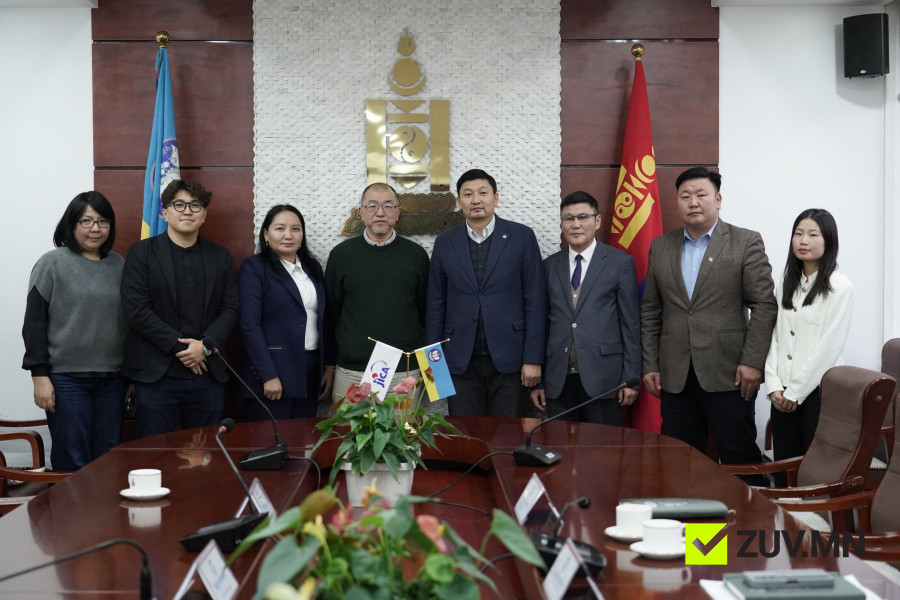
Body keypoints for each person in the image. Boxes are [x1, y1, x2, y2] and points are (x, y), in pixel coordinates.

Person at [641, 167, 776, 481]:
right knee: (678, 464)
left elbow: (764, 305)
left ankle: (747, 513)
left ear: (718, 199)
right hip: (676, 375)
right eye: (685, 196)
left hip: (730, 373)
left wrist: (752, 362)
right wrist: (650, 363)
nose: (693, 202)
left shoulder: (745, 241)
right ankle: (688, 515)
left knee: (740, 459)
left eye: (701, 195)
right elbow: (650, 310)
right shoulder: (661, 247)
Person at [121, 179, 239, 436]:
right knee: (155, 452)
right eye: (179, 205)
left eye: (195, 205)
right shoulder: (142, 253)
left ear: (204, 214)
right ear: (165, 213)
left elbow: (230, 308)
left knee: (207, 451)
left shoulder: (220, 256)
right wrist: (183, 348)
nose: (187, 211)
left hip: (207, 373)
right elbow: (136, 310)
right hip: (157, 375)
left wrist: (204, 347)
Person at [426, 168, 547, 417]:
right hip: (460, 360)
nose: (476, 200)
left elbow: (535, 301)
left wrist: (533, 359)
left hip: (511, 360)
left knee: (507, 433)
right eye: (468, 194)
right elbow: (435, 304)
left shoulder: (521, 237)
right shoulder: (445, 242)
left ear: (496, 198)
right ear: (459, 201)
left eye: (483, 193)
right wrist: (433, 368)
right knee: (465, 433)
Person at [22, 191, 127, 471]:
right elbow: (34, 323)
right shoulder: (52, 263)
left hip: (112, 380)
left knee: (107, 460)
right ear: (71, 224)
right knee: (72, 461)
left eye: (103, 221)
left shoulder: (119, 264)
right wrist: (39, 376)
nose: (95, 228)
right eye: (86, 221)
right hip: (66, 380)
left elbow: (129, 323)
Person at [529, 191, 641, 425]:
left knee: (602, 446)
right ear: (561, 224)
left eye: (583, 217)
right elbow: (540, 324)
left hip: (606, 380)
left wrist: (631, 379)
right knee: (559, 445)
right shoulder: (549, 266)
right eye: (568, 218)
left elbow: (630, 324)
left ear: (597, 221)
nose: (576, 224)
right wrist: (539, 382)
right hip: (558, 381)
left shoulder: (620, 263)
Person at [324, 183, 433, 414]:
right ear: (361, 212)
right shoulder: (341, 256)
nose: (380, 212)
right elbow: (332, 313)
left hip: (403, 372)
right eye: (372, 206)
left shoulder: (416, 256)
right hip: (352, 371)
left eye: (388, 206)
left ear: (398, 212)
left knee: (402, 435)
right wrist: (330, 364)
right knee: (349, 436)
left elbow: (425, 312)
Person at [765, 209, 852, 468]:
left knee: (814, 469)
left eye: (813, 235)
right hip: (781, 394)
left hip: (817, 393)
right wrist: (773, 386)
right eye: (798, 234)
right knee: (784, 467)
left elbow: (829, 347)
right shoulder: (786, 284)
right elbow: (775, 336)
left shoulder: (839, 287)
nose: (803, 241)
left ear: (828, 241)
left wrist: (795, 393)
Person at [239, 205, 334, 419]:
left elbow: (324, 319)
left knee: (304, 437)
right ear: (266, 234)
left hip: (310, 370)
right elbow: (249, 326)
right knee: (271, 438)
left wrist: (328, 366)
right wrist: (268, 375)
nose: (288, 235)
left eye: (295, 229)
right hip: (274, 373)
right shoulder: (254, 268)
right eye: (280, 228)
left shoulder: (312, 268)